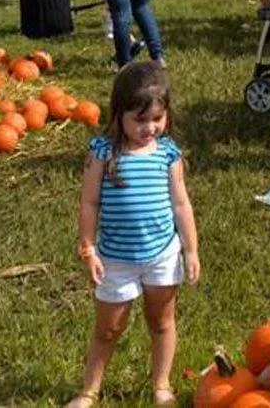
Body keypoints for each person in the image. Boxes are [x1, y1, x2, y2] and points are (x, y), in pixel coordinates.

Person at [67, 62, 200, 408]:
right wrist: (88, 247)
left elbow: (182, 205)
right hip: (115, 260)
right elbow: (89, 203)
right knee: (107, 329)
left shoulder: (168, 154)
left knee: (161, 321)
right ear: (118, 114)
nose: (150, 128)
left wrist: (191, 250)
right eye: (140, 120)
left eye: (157, 118)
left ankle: (161, 384)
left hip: (161, 257)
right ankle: (89, 391)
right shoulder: (102, 153)